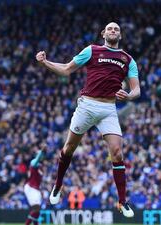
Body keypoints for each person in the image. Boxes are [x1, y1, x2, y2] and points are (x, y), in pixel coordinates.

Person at [35, 22, 140, 217]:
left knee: (117, 153)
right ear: (103, 33)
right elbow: (67, 69)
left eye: (116, 29)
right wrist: (45, 62)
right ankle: (57, 186)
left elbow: (137, 90)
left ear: (120, 35)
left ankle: (122, 201)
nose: (113, 31)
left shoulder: (128, 59)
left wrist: (129, 95)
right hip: (87, 105)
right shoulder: (92, 50)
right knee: (68, 149)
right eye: (110, 28)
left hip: (109, 108)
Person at [24, 150, 45, 225]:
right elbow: (35, 161)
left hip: (35, 188)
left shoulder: (40, 166)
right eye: (41, 156)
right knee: (36, 208)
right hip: (31, 187)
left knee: (37, 210)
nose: (42, 157)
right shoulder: (33, 162)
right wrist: (41, 152)